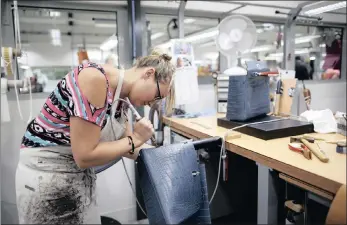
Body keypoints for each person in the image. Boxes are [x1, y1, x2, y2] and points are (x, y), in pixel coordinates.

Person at [15, 49, 176, 224]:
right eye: (157, 95)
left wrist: (167, 157)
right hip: (47, 174)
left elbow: (129, 147)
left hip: (75, 174)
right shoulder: (95, 79)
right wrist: (136, 138)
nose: (153, 103)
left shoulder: (121, 98)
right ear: (148, 74)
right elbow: (85, 156)